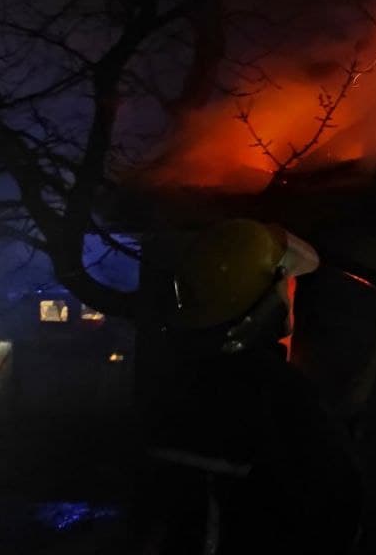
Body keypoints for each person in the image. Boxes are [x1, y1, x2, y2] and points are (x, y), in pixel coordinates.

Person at [140, 219, 362, 554]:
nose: (287, 296)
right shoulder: (279, 395)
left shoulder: (178, 384)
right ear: (268, 301)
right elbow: (333, 508)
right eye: (284, 285)